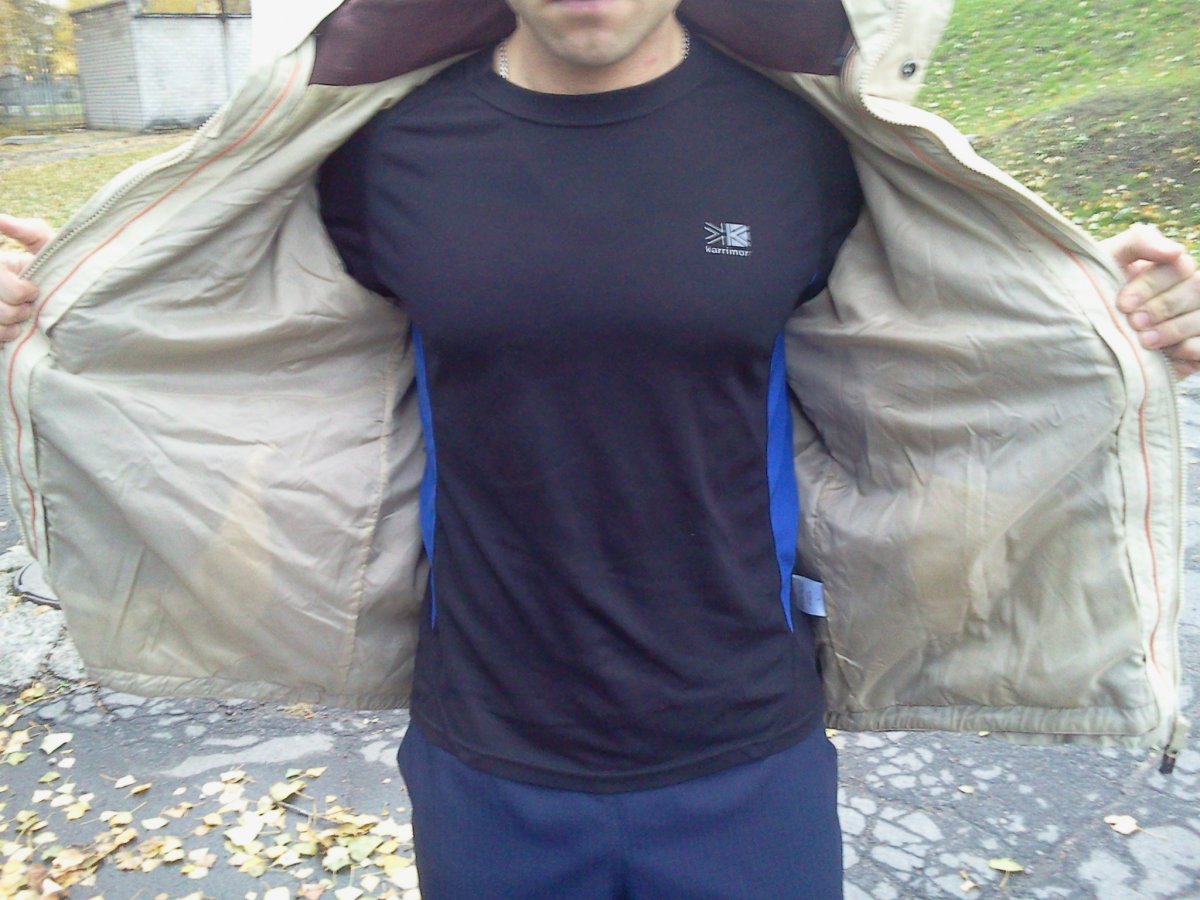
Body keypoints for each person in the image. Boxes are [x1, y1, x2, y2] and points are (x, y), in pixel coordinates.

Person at [1, 2, 1198, 896]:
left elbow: (937, 336)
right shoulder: (385, 154)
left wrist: (1110, 319)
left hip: (745, 745)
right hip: (486, 752)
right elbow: (231, 317)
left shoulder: (800, 145)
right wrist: (54, 304)